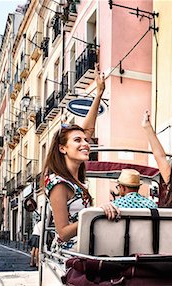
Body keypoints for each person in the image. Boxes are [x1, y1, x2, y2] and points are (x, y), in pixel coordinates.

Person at [42, 63, 117, 251]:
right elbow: (63, 232)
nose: (85, 143)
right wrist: (95, 213)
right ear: (63, 149)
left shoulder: (74, 179)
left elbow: (88, 129)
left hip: (85, 246)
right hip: (68, 254)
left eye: (86, 140)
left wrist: (99, 93)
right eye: (78, 140)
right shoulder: (58, 182)